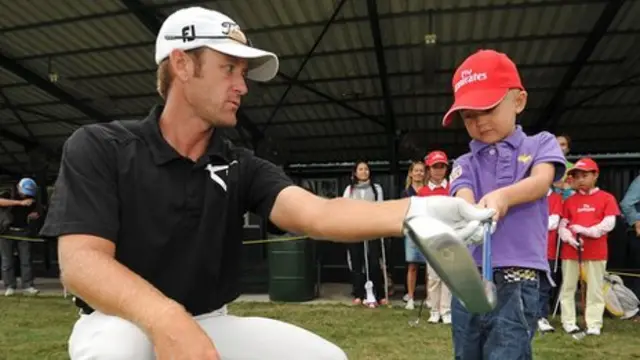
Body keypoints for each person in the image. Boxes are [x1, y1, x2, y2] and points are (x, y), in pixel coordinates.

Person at [39, 7, 496, 360]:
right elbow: (81, 264)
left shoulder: (240, 163)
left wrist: (415, 212)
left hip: (209, 321)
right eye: (229, 69)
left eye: (244, 73)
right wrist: (164, 319)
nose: (243, 86)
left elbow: (320, 213)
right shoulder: (100, 146)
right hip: (119, 323)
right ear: (181, 64)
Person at [441, 49, 567, 359]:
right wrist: (470, 211)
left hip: (519, 278)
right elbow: (462, 196)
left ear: (519, 101)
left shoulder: (541, 143)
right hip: (469, 279)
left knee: (508, 352)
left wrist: (503, 196)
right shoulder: (464, 162)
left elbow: (540, 182)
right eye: (469, 116)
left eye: (488, 108)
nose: (479, 121)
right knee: (466, 352)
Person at [558, 157, 620, 336]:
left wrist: (587, 231)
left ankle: (593, 323)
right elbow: (563, 225)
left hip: (596, 251)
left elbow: (608, 224)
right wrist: (569, 238)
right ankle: (568, 322)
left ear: (595, 175)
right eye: (576, 176)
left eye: (584, 175)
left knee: (595, 289)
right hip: (571, 252)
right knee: (568, 287)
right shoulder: (569, 201)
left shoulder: (606, 198)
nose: (580, 179)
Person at [342, 160, 387, 308]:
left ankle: (378, 294)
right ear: (355, 173)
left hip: (372, 230)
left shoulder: (376, 189)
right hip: (354, 231)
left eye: (366, 169)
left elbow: (380, 208)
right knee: (356, 262)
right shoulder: (350, 190)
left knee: (374, 262)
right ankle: (358, 294)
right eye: (360, 169)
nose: (364, 172)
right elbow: (345, 208)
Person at [417, 151, 453, 325]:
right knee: (433, 277)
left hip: (449, 237)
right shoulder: (423, 192)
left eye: (442, 167)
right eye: (435, 167)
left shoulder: (452, 189)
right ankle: (434, 310)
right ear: (429, 169)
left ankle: (446, 310)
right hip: (431, 237)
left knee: (447, 275)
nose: (439, 171)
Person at [0, 178, 40, 297]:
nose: (25, 195)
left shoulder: (32, 199)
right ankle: (10, 286)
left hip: (24, 233)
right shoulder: (8, 194)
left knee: (26, 260)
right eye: (24, 192)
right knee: (7, 261)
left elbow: (39, 211)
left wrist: (35, 215)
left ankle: (28, 286)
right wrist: (19, 203)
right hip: (6, 232)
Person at [537, 187, 563, 332]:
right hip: (527, 250)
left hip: (548, 251)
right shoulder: (528, 195)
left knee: (544, 286)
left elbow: (553, 223)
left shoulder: (555, 198)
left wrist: (531, 224)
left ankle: (541, 317)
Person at [402, 160, 427, 310]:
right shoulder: (405, 193)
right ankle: (410, 297)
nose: (418, 173)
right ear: (411, 173)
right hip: (411, 232)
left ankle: (429, 297)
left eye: (421, 171)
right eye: (416, 170)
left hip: (427, 231)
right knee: (412, 266)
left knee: (430, 267)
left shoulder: (428, 190)